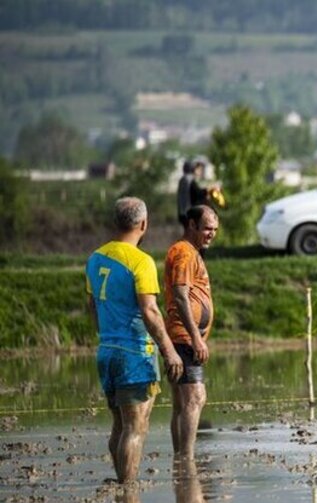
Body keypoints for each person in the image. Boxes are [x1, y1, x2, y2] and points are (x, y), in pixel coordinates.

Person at [86, 197, 184, 483]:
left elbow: (92, 306)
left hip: (106, 351)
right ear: (143, 224)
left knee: (120, 424)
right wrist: (169, 351)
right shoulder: (141, 261)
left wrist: (105, 335)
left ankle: (120, 486)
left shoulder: (95, 258)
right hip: (134, 354)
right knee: (135, 428)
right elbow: (150, 310)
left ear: (115, 223)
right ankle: (127, 490)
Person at [164, 206, 219, 460]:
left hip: (183, 337)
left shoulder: (190, 252)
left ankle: (181, 458)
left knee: (182, 402)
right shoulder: (185, 253)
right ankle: (186, 459)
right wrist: (196, 337)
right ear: (191, 225)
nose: (211, 234)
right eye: (207, 228)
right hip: (184, 338)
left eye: (215, 230)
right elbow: (180, 295)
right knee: (194, 398)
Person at [176, 160, 208, 230]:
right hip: (188, 213)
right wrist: (207, 191)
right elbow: (196, 194)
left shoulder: (182, 179)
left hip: (182, 212)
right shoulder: (189, 180)